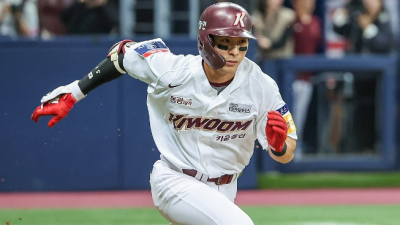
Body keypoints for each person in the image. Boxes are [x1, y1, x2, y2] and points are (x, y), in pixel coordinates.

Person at [31, 3, 297, 224]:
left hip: (226, 189)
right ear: (206, 40)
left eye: (241, 44)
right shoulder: (173, 71)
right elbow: (123, 54)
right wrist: (76, 93)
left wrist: (278, 145)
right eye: (226, 42)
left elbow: (287, 153)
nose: (235, 52)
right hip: (175, 179)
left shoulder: (261, 85)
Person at [291, 0, 322, 157]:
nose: (309, 3)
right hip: (289, 76)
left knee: (299, 117)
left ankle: (295, 152)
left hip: (306, 77)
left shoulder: (316, 21)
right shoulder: (291, 18)